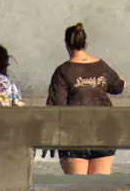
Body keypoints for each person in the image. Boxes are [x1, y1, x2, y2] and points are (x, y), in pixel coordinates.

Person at [47, 23, 125, 175]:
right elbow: (118, 86)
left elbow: (57, 106)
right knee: (99, 185)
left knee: (77, 185)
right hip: (104, 132)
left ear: (66, 44)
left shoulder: (63, 71)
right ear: (85, 43)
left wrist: (49, 137)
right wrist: (121, 81)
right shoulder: (101, 66)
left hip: (73, 135)